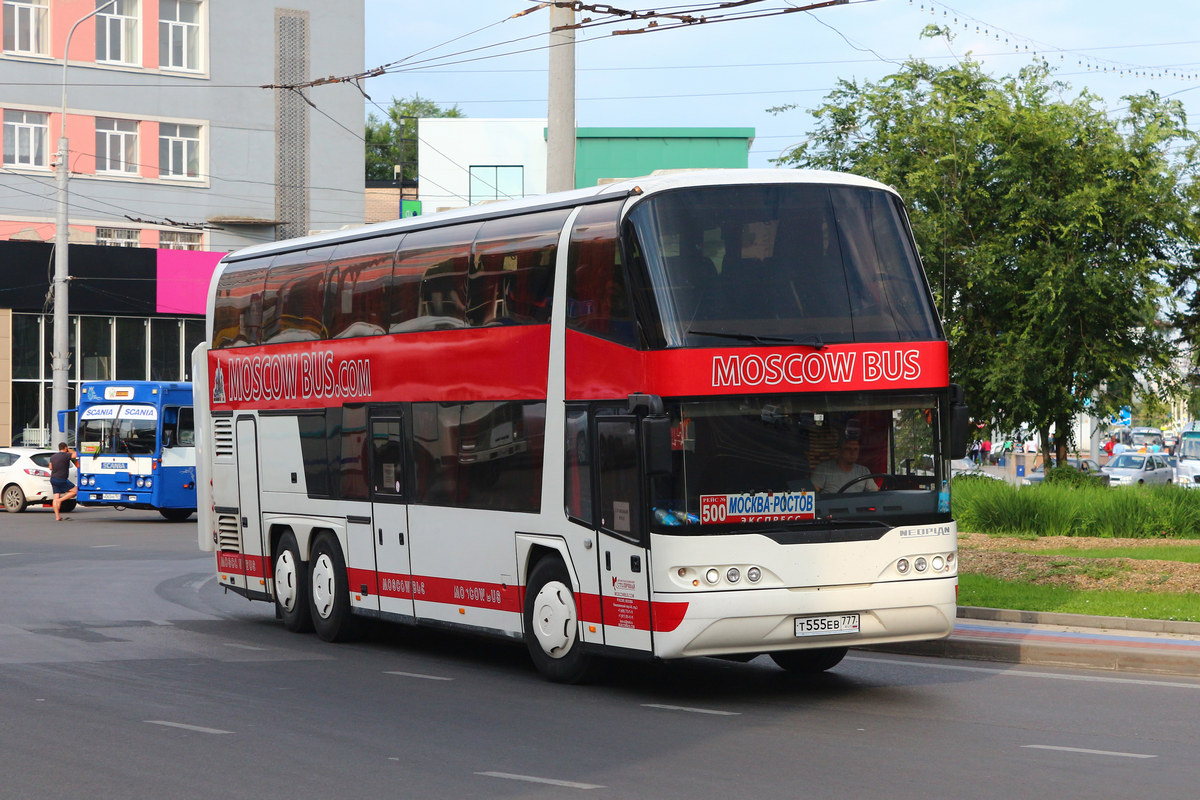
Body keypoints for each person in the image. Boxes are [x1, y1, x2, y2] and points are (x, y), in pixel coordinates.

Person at [811, 434, 878, 494]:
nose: (852, 453)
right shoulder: (824, 469)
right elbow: (811, 494)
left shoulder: (863, 471)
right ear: (839, 451)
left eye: (855, 449)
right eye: (848, 449)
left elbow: (876, 493)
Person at [49, 441, 79, 521]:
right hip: (62, 479)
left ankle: (57, 516)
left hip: (53, 479)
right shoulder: (66, 455)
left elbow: (50, 467)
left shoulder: (53, 456)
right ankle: (60, 500)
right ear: (65, 448)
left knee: (56, 496)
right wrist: (69, 450)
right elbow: (76, 454)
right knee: (75, 491)